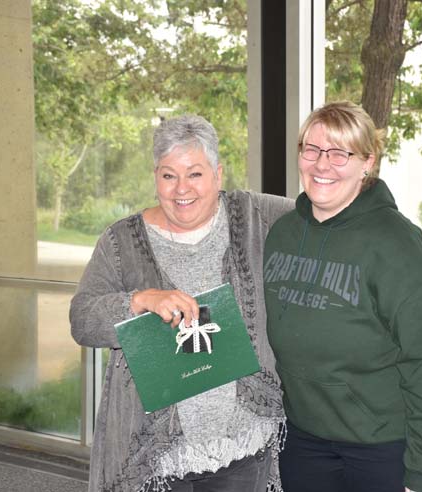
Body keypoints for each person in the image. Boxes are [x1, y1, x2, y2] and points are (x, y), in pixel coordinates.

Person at [70, 115, 293, 492]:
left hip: (244, 445)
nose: (181, 189)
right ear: (155, 176)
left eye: (195, 174)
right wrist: (138, 301)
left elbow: (324, 211)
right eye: (168, 175)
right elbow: (82, 319)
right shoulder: (121, 242)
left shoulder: (256, 216)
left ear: (218, 174)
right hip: (154, 457)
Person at [263, 101, 422, 492]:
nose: (323, 165)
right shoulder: (282, 235)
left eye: (340, 153)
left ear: (367, 163)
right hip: (304, 443)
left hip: (384, 449)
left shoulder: (399, 247)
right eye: (312, 149)